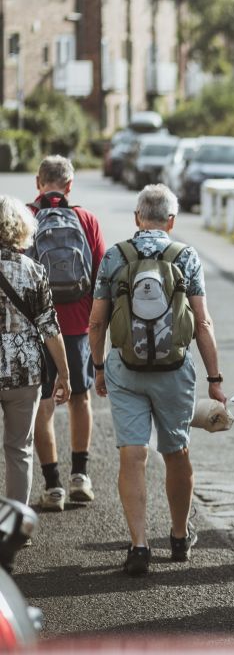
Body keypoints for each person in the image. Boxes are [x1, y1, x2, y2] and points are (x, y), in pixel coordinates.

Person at [88, 184, 225, 577]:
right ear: (171, 220)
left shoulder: (116, 255)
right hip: (174, 369)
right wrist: (215, 378)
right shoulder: (185, 256)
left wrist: (98, 367)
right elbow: (202, 322)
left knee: (132, 453)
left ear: (136, 218)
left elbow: (97, 321)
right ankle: (180, 537)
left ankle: (139, 546)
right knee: (176, 451)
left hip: (125, 370)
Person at [27, 155, 105, 511]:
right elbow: (102, 276)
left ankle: (53, 485)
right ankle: (80, 477)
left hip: (35, 326)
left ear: (39, 183)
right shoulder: (86, 219)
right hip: (76, 324)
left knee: (42, 404)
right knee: (79, 398)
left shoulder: (24, 217)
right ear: (70, 185)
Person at [0, 195, 71, 506]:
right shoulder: (34, 270)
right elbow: (50, 327)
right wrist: (65, 375)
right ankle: (14, 526)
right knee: (19, 449)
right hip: (24, 371)